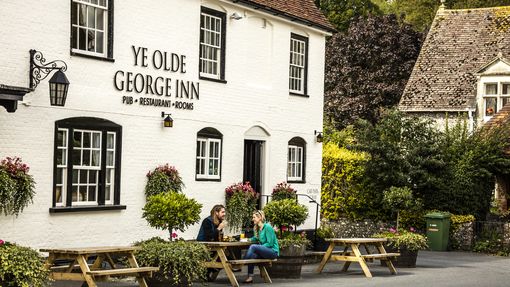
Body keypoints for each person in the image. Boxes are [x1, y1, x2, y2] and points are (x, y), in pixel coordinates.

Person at [243, 210, 279, 284]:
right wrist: (248, 239)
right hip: (265, 251)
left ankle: (242, 262)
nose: (252, 219)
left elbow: (270, 243)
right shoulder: (258, 228)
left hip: (272, 251)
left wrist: (259, 247)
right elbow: (256, 238)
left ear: (259, 218)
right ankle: (250, 277)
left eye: (254, 217)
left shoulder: (267, 227)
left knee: (253, 247)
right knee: (252, 255)